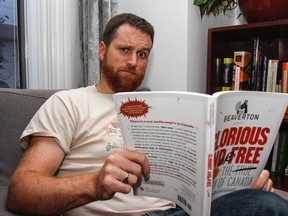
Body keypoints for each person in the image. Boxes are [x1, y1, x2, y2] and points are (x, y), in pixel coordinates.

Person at [6, 13, 288, 216]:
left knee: (262, 199)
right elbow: (20, 193)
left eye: (143, 54)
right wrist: (94, 184)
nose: (133, 62)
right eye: (125, 50)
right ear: (102, 51)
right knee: (268, 207)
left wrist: (240, 182)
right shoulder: (68, 103)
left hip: (178, 210)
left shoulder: (166, 106)